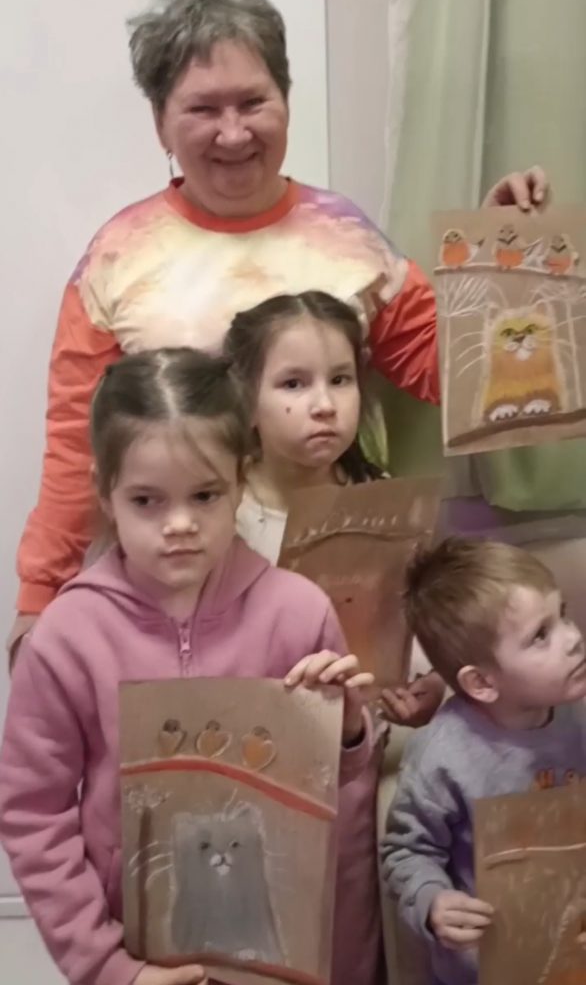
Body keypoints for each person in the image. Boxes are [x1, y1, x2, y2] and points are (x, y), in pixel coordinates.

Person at [8, 0, 548, 657]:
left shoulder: (348, 237)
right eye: (203, 109)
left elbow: (456, 373)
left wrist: (501, 261)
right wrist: (40, 598)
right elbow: (77, 445)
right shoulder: (117, 259)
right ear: (161, 122)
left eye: (253, 102)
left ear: (286, 101)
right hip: (179, 597)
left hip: (340, 583)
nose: (233, 132)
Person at [0, 348, 374, 985]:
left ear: (241, 480)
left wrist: (347, 731)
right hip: (139, 959)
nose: (179, 524)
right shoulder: (66, 638)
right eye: (147, 500)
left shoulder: (298, 612)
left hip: (280, 952)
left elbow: (339, 807)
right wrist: (108, 967)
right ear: (105, 492)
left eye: (204, 495)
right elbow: (34, 816)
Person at [224, 291, 446, 985]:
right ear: (246, 399)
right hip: (262, 759)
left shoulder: (384, 499)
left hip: (365, 751)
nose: (323, 405)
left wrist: (424, 685)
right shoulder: (224, 513)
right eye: (293, 384)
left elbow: (415, 623)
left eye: (340, 380)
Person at [380, 537, 586, 985]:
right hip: (489, 969)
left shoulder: (577, 710)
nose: (573, 638)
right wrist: (432, 901)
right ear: (482, 683)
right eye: (541, 635)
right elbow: (407, 850)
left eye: (564, 614)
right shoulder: (442, 756)